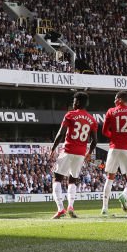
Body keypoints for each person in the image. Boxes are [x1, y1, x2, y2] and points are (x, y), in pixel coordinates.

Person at [49, 91, 97, 219]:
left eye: (74, 101)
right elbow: (95, 141)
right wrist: (89, 153)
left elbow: (60, 133)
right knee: (73, 180)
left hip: (68, 150)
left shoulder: (70, 115)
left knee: (56, 178)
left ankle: (60, 209)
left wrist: (53, 148)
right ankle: (71, 206)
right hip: (80, 153)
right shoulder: (92, 120)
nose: (73, 103)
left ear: (78, 102)